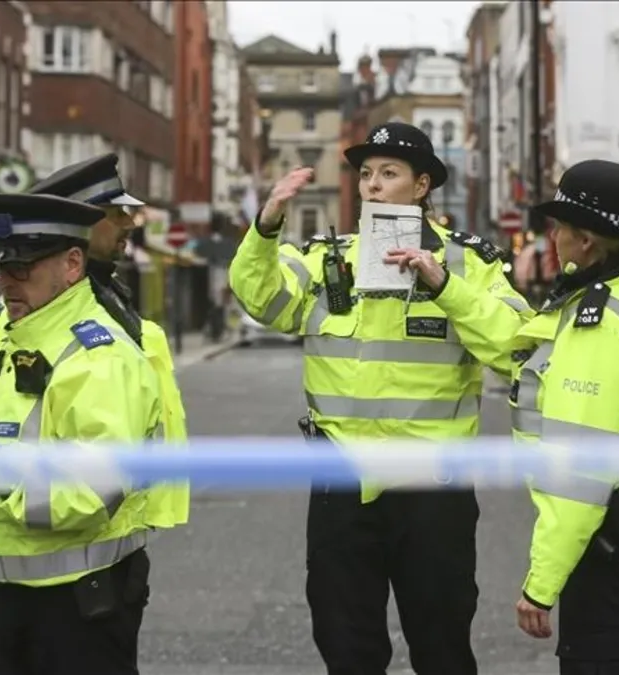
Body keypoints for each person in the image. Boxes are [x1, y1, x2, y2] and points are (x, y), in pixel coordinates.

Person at [228, 121, 534, 675]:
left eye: (389, 174)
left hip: (432, 487)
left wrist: (446, 288)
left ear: (421, 187)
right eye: (365, 174)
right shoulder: (327, 259)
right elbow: (262, 299)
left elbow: (515, 347)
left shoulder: (470, 264)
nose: (372, 184)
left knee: (441, 647)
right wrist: (267, 226)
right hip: (342, 484)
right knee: (346, 648)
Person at [389, 160, 619, 675]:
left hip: (608, 548)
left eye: (560, 226)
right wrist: (445, 284)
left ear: (587, 241)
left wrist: (542, 584)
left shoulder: (601, 326)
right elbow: (515, 345)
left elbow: (580, 477)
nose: (551, 236)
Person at [0, 192, 167, 675]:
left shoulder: (100, 358)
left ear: (72, 264)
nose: (5, 281)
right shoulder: (17, 338)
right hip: (24, 591)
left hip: (84, 599)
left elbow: (91, 491)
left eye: (21, 267)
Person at [0, 153, 189, 530]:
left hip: (105, 521)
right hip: (64, 525)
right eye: (115, 213)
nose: (129, 223)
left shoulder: (108, 293)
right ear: (81, 223)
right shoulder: (38, 307)